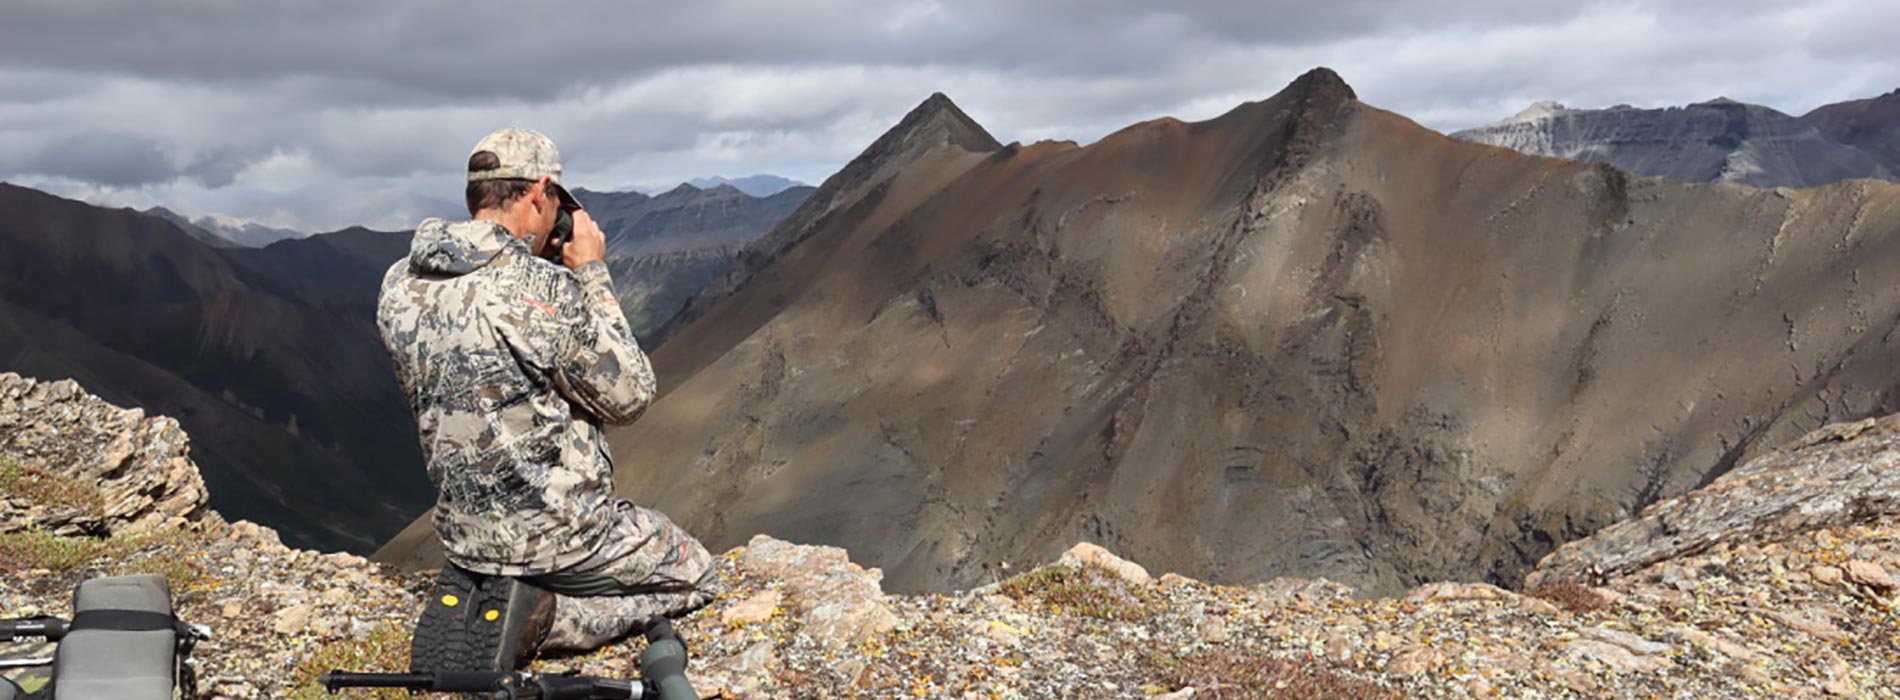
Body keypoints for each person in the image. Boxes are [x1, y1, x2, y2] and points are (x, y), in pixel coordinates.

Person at [375, 127, 715, 669]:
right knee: (695, 572)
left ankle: (483, 589)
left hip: (465, 537)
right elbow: (630, 396)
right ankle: (550, 617)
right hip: (561, 538)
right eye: (555, 200)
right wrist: (591, 276)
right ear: (539, 192)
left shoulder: (399, 283)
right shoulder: (546, 291)